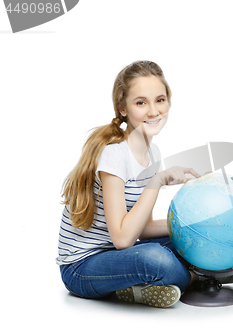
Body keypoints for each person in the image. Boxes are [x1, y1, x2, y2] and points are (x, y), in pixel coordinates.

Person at [57, 60, 200, 308]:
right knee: (156, 259)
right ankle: (198, 278)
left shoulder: (152, 153)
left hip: (116, 255)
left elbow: (141, 230)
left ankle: (139, 287)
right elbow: (123, 239)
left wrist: (189, 225)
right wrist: (156, 181)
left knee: (190, 240)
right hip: (82, 267)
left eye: (160, 100)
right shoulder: (115, 154)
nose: (154, 111)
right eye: (141, 103)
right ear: (123, 108)